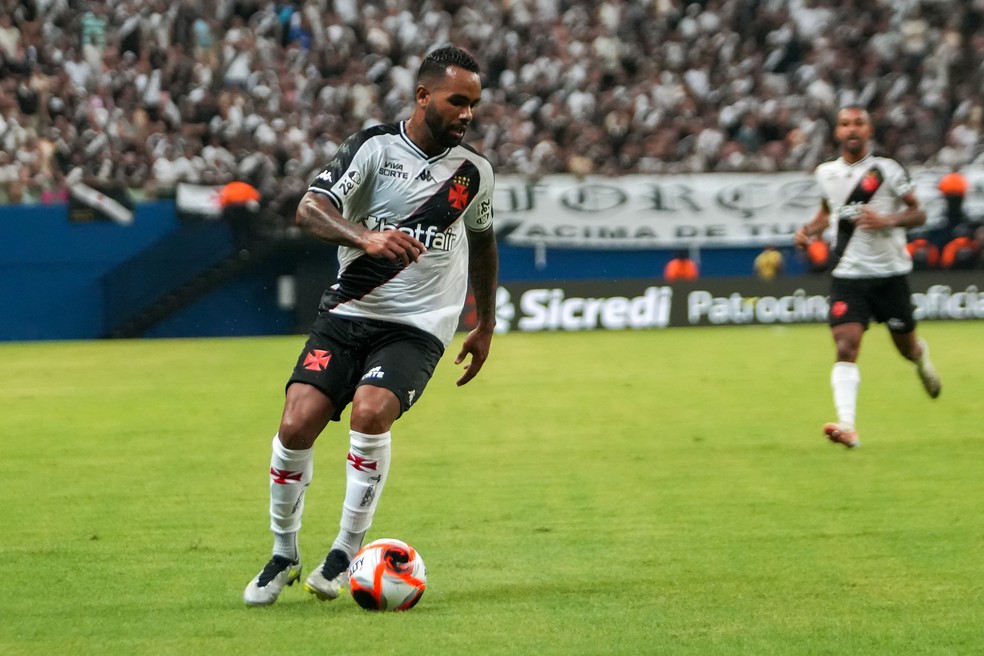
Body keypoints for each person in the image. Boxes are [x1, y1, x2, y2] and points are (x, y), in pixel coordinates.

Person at [243, 46, 498, 606]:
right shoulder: (373, 149)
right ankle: (284, 553)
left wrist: (485, 322)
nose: (467, 114)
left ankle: (344, 550)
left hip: (417, 325)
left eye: (474, 104)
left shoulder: (473, 173)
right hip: (348, 311)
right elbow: (309, 209)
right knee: (295, 424)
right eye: (457, 101)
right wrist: (366, 237)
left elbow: (483, 242)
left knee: (371, 411)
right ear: (423, 95)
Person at [793, 105, 941, 449]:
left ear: (869, 130)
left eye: (858, 123)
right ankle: (847, 426)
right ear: (837, 132)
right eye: (845, 124)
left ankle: (921, 358)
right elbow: (829, 213)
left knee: (906, 349)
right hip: (848, 275)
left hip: (890, 274)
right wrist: (809, 230)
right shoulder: (826, 173)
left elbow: (919, 213)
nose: (852, 129)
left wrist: (887, 220)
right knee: (846, 346)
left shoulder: (887, 170)